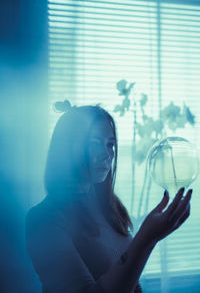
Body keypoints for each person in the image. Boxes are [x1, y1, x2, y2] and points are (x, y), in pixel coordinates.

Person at [26, 101, 192, 293]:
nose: (107, 155)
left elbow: (132, 285)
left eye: (110, 145)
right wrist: (146, 238)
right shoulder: (43, 220)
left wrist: (151, 238)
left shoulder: (109, 207)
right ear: (67, 149)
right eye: (95, 144)